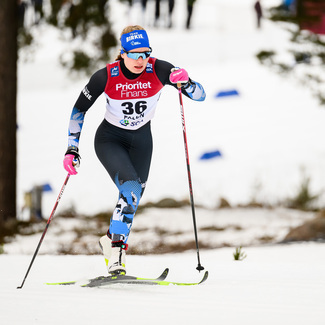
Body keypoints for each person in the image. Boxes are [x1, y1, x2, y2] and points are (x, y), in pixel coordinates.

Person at [63, 25, 206, 275]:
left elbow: (200, 95)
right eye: (134, 54)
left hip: (142, 141)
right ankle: (117, 254)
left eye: (145, 53)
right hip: (110, 139)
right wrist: (71, 148)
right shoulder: (105, 76)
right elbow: (78, 110)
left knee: (133, 198)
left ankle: (109, 239)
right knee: (129, 191)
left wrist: (187, 82)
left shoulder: (160, 69)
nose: (140, 60)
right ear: (122, 53)